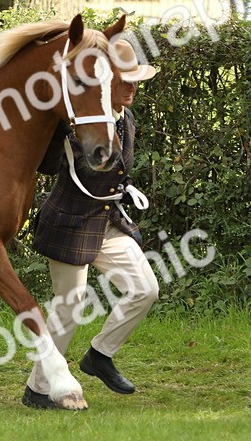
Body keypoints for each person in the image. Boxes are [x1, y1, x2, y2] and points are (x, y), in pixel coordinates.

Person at [23, 37, 160, 409]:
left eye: (136, 81)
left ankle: (99, 355)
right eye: (125, 81)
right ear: (106, 82)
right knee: (70, 304)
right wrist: (64, 135)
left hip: (108, 221)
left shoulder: (126, 118)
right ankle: (39, 388)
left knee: (145, 289)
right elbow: (46, 165)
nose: (132, 88)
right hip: (69, 222)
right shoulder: (70, 124)